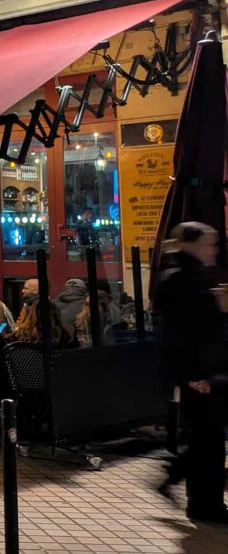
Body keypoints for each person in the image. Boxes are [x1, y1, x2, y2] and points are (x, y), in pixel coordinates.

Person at [154, 222, 227, 522]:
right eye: (210, 244)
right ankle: (202, 502)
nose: (215, 250)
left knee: (206, 436)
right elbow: (183, 332)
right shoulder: (180, 277)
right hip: (199, 373)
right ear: (193, 245)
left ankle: (184, 484)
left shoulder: (190, 274)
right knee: (207, 438)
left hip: (204, 370)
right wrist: (195, 374)